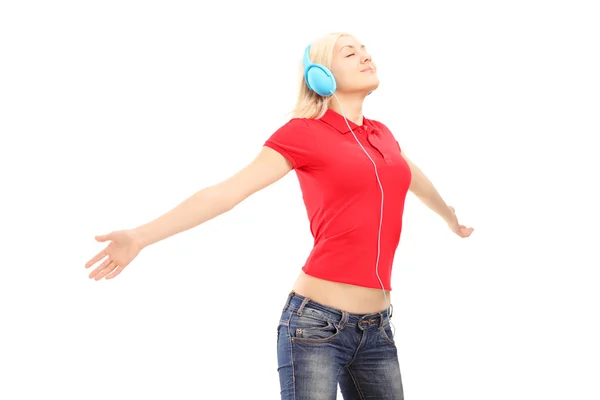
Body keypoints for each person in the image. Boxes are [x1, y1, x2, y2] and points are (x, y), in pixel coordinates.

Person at [85, 32, 474, 399]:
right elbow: (227, 192)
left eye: (365, 48)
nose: (365, 55)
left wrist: (448, 216)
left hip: (378, 329)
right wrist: (140, 236)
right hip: (316, 326)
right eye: (350, 52)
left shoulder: (381, 134)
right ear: (320, 75)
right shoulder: (303, 133)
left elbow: (412, 177)